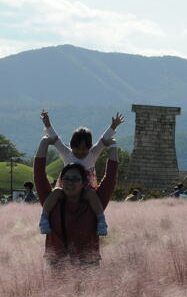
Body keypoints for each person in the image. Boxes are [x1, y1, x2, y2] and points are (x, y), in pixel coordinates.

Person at [33, 134, 118, 265]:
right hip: (57, 266)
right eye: (66, 179)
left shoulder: (94, 202)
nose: (70, 183)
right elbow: (39, 174)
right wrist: (44, 142)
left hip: (88, 267)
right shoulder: (52, 201)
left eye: (75, 179)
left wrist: (112, 145)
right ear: (61, 181)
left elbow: (110, 178)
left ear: (84, 182)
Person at [41, 109, 124, 189]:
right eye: (77, 148)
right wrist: (47, 124)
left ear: (90, 147)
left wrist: (114, 126)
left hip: (88, 192)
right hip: (67, 190)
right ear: (71, 146)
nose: (80, 152)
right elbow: (56, 140)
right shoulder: (67, 154)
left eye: (84, 149)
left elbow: (102, 140)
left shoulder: (92, 154)